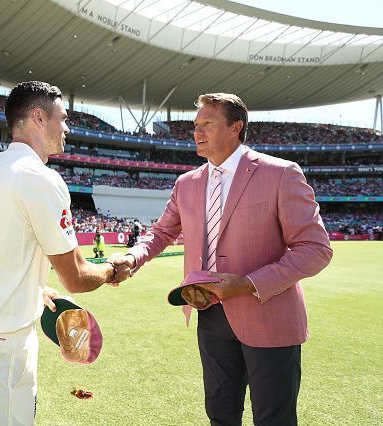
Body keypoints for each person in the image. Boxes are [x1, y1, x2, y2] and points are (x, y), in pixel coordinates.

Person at [109, 93, 333, 425]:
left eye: (207, 124)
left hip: (268, 315)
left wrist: (249, 284)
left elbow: (316, 249)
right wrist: (132, 256)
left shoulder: (281, 174)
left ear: (235, 127)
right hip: (209, 315)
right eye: (195, 125)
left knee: (274, 418)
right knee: (220, 414)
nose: (197, 132)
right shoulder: (187, 183)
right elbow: (160, 232)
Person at [0, 81, 130, 425]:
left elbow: (0, 251)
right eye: (62, 118)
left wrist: (35, 287)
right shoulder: (40, 178)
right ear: (38, 117)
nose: (67, 127)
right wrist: (112, 268)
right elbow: (75, 277)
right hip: (0, 349)